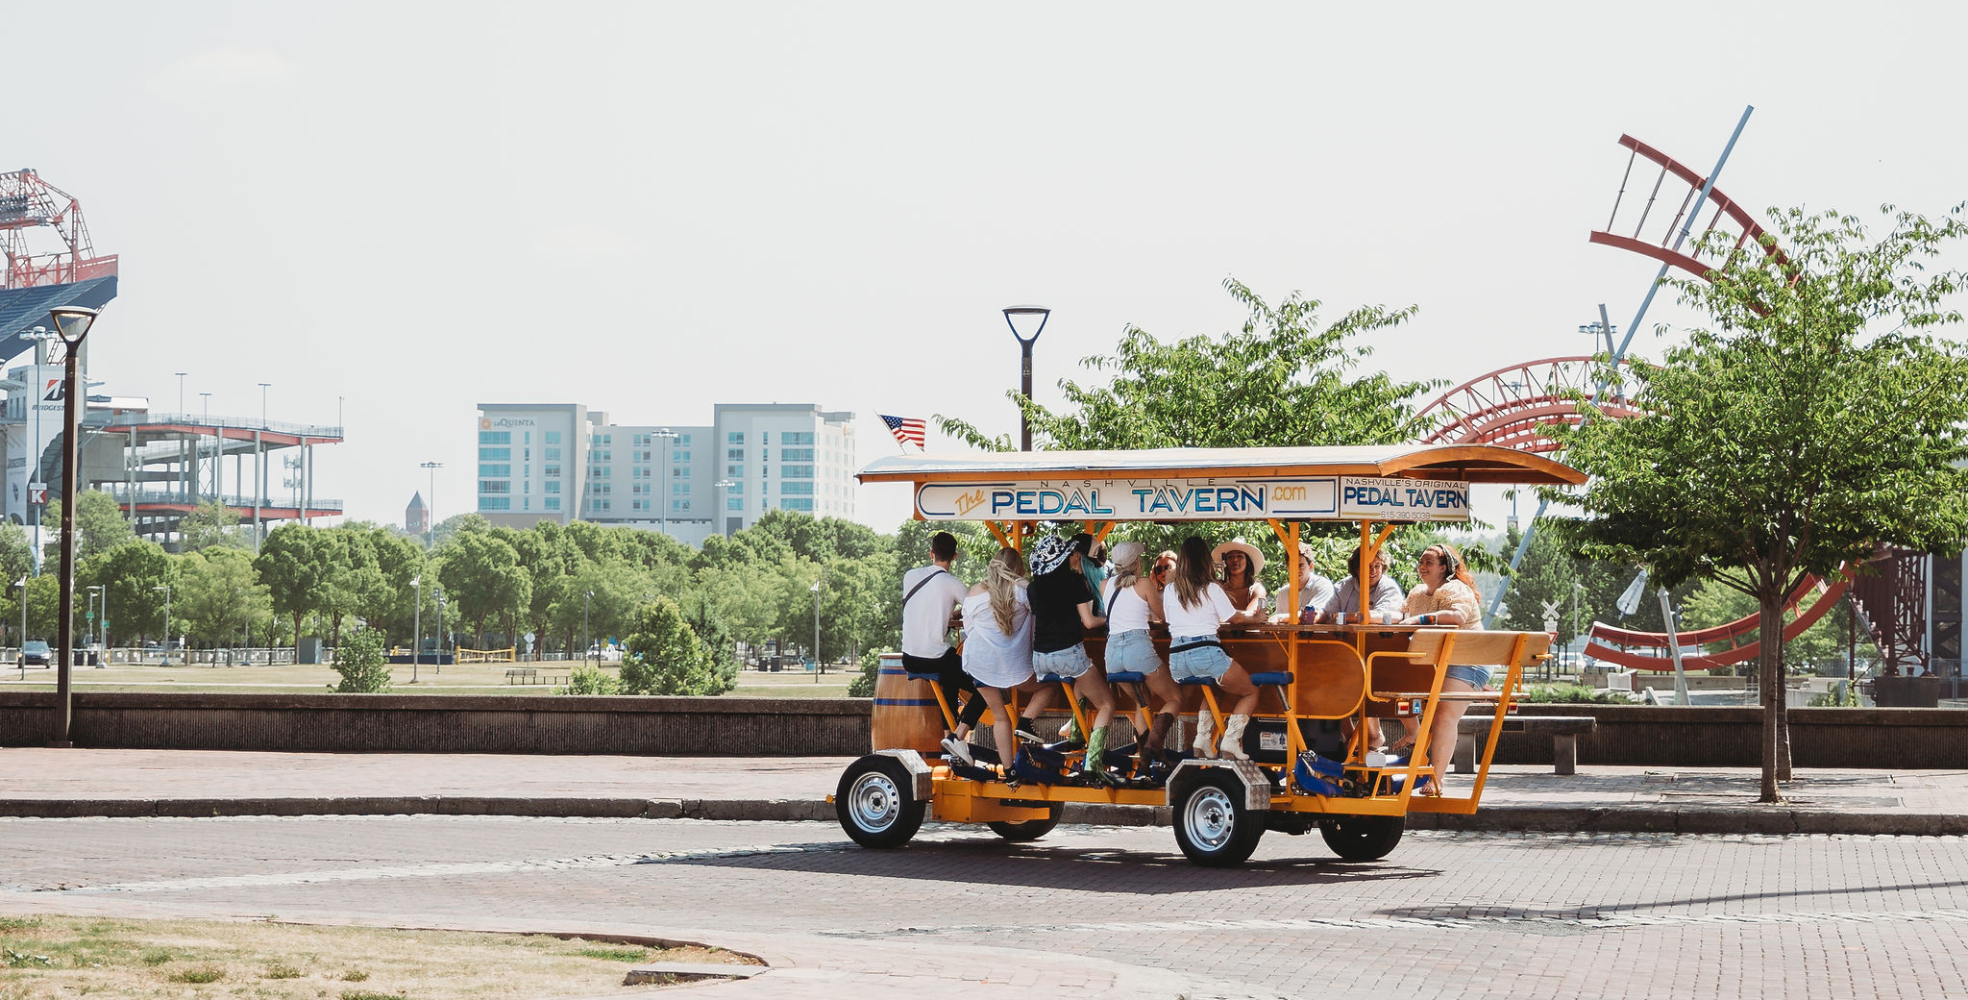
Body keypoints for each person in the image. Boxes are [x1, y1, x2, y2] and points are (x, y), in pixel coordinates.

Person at [1027, 535, 1122, 785]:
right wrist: (1114, 620)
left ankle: (1076, 735)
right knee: (1106, 704)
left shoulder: (1033, 587)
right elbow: (1090, 622)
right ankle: (1093, 764)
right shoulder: (1073, 581)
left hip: (1040, 659)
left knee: (1083, 677)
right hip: (1067, 654)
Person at [1163, 535, 1263, 760]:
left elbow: (1169, 619)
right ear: (1205, 560)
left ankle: (1202, 740)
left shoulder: (1170, 590)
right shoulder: (1212, 588)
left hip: (1177, 661)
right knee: (1251, 691)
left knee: (1217, 688)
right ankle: (1229, 742)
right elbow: (1234, 619)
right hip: (1206, 655)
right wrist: (1257, 617)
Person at [1397, 543, 1486, 795]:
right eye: (1421, 562)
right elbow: (1400, 616)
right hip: (1434, 661)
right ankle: (1413, 733)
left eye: (1429, 563)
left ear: (1444, 567)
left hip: (1468, 661)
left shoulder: (1456, 589)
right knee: (1388, 682)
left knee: (1443, 715)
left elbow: (1457, 618)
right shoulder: (1417, 593)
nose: (1422, 567)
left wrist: (1420, 620)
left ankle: (1436, 779)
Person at [960, 547, 1051, 777]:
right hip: (1016, 665)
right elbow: (1042, 617)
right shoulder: (1022, 589)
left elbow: (968, 629)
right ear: (1018, 568)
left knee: (999, 716)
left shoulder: (974, 592)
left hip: (980, 664)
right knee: (1050, 686)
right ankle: (1025, 722)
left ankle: (1009, 771)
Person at [901, 531, 985, 765]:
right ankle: (959, 737)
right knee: (986, 685)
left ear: (931, 553)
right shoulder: (953, 583)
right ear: (955, 556)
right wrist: (956, 615)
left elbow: (925, 610)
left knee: (949, 681)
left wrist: (949, 615)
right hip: (934, 657)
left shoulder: (910, 576)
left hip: (909, 657)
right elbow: (975, 612)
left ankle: (949, 743)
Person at [1100, 540, 1182, 757]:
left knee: (1142, 701)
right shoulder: (1145, 583)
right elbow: (1165, 616)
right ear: (1137, 562)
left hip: (1112, 655)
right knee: (1174, 698)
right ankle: (1154, 744)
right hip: (1137, 649)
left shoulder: (1104, 584)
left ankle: (1146, 755)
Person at [1320, 545, 1404, 624]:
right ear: (1356, 568)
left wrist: (1348, 617)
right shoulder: (1342, 586)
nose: (1373, 571)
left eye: (1377, 566)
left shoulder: (1389, 587)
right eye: (1368, 566)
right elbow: (1329, 615)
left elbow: (1383, 617)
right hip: (1343, 637)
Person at [1273, 541, 1337, 624]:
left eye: (1300, 565)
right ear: (1288, 568)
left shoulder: (1323, 585)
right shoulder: (1283, 593)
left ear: (1311, 566)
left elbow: (1312, 616)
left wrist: (1279, 618)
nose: (1296, 570)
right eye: (1292, 566)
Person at [1213, 537, 1268, 618]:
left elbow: (1252, 614)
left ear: (1248, 561)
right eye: (1230, 557)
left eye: (1239, 556)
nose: (1235, 560)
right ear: (1225, 563)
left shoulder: (1257, 590)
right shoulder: (1217, 587)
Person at [1071, 532, 1110, 616]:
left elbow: (1088, 622)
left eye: (1070, 552)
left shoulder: (1076, 581)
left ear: (1077, 555)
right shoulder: (1101, 580)